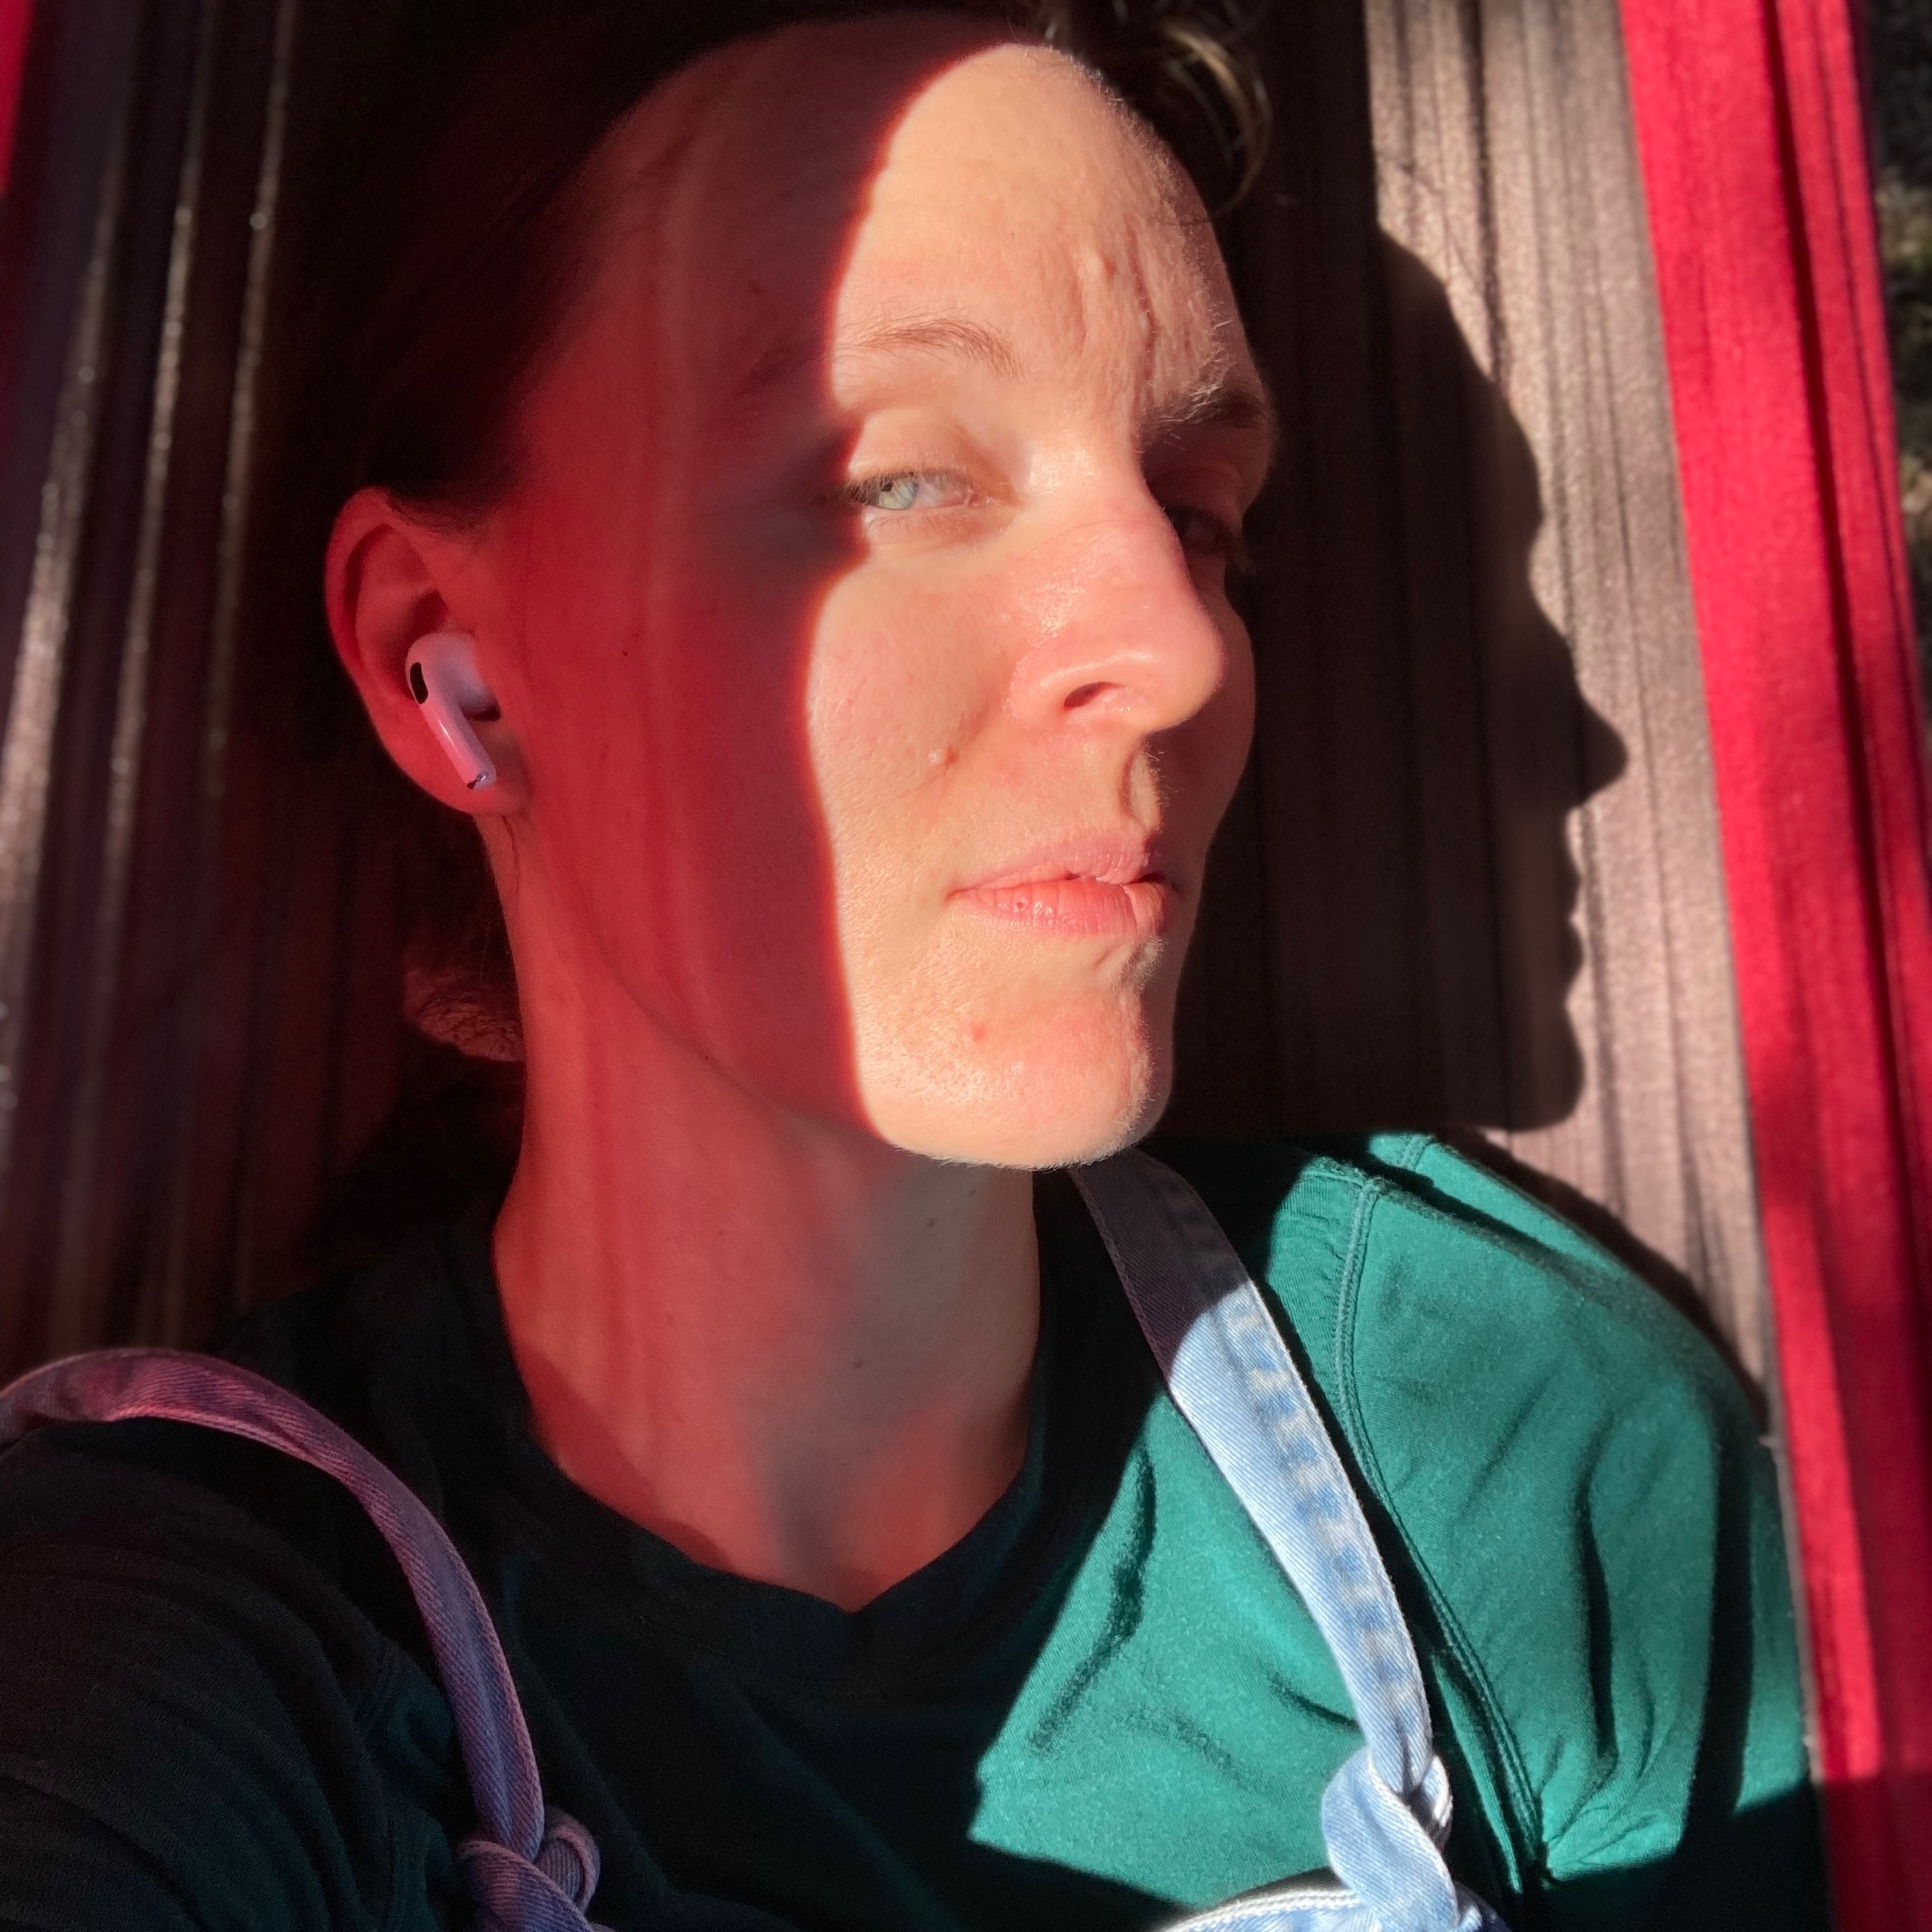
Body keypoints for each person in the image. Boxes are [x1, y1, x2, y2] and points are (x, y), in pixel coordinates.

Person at [0, 2, 1828, 1928]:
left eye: (1197, 516)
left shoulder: (1498, 1441)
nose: (1179, 654)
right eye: (899, 483)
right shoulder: (183, 1638)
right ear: (443, 662)